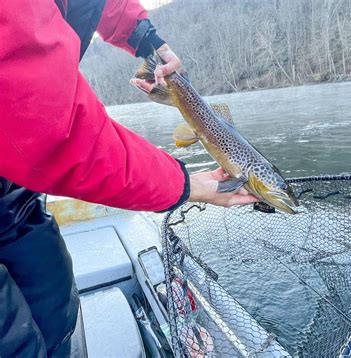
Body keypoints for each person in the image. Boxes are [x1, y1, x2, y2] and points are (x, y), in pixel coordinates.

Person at [0, 1, 257, 356]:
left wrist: (149, 41)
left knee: (53, 301)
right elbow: (60, 135)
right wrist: (189, 185)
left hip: (13, 197)